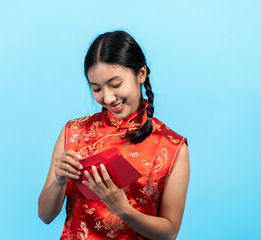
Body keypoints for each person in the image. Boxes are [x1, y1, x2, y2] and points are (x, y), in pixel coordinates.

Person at [38, 30, 190, 240]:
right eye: (97, 88)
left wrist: (123, 210)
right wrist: (58, 181)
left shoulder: (172, 147)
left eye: (116, 85)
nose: (108, 98)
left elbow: (169, 233)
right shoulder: (74, 133)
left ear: (141, 74)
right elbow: (45, 216)